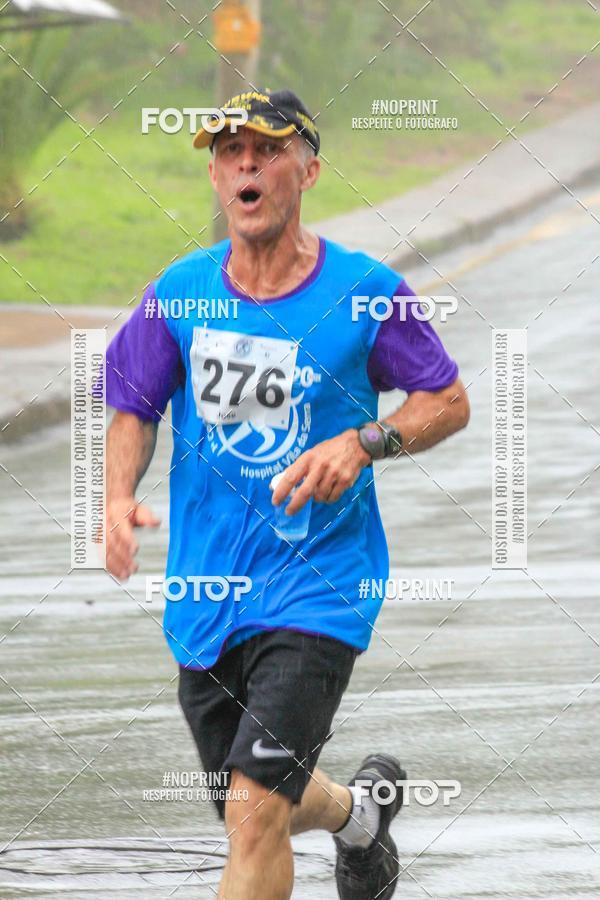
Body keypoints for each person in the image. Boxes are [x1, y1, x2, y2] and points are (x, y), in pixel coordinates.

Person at [105, 87, 470, 900]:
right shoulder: (181, 291)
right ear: (214, 175)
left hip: (319, 586)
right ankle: (359, 815)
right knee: (251, 802)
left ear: (307, 169)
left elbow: (446, 401)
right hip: (206, 592)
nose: (245, 163)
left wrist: (365, 441)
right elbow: (132, 401)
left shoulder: (365, 291)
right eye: (228, 151)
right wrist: (115, 499)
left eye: (266, 149)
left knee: (254, 808)